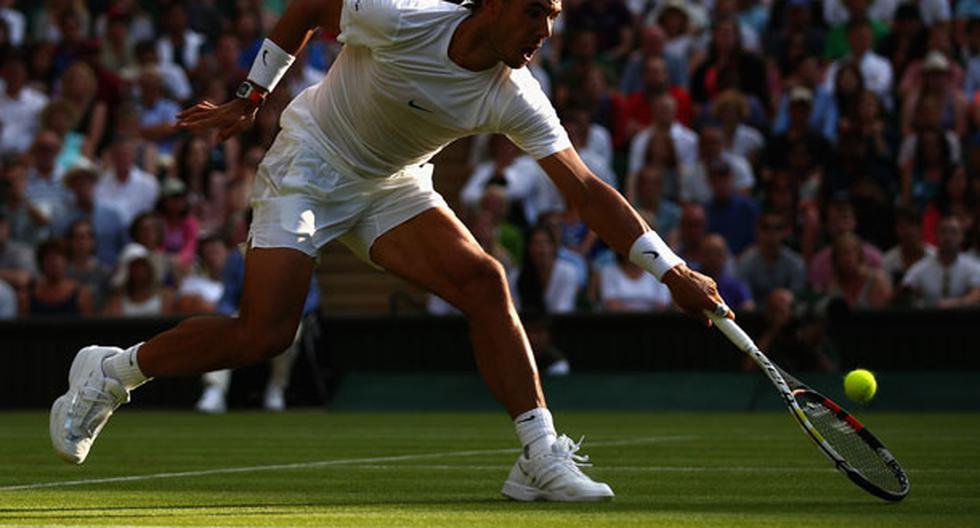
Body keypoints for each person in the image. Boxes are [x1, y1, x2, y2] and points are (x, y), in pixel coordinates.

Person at [49, 0, 725, 503]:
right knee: (265, 333)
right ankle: (115, 371)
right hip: (312, 162)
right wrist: (251, 97)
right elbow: (311, 7)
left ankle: (538, 453)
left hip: (393, 185)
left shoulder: (514, 94)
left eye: (550, 19)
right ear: (489, 4)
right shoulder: (402, 17)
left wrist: (672, 270)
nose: (542, 34)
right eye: (531, 14)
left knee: (484, 281)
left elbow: (585, 191)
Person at [901, 215, 980, 308]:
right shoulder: (921, 267)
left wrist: (956, 303)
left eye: (954, 232)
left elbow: (977, 294)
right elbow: (905, 290)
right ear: (936, 235)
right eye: (943, 232)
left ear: (962, 236)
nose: (948, 237)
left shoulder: (973, 266)